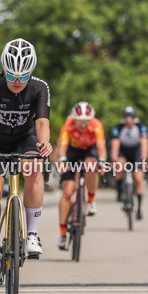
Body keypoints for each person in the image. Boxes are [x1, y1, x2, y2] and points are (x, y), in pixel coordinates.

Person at [0, 38, 52, 276]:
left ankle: (32, 234)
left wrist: (44, 144)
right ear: (4, 71)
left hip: (25, 139)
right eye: (11, 76)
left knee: (33, 168)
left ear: (31, 72)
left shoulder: (39, 88)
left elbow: (42, 122)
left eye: (23, 76)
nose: (17, 81)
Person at [56, 101, 105, 249]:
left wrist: (102, 161)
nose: (83, 124)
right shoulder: (69, 124)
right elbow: (62, 146)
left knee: (91, 166)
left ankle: (91, 201)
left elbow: (101, 147)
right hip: (73, 151)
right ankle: (63, 233)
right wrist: (62, 160)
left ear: (90, 119)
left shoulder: (96, 125)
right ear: (74, 119)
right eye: (79, 121)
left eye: (86, 121)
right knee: (67, 192)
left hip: (90, 150)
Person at [111, 105, 148, 221]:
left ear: (135, 118)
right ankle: (119, 192)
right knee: (119, 167)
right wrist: (114, 159)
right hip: (123, 151)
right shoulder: (118, 127)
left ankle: (139, 209)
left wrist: (144, 160)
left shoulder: (141, 126)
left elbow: (144, 143)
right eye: (126, 118)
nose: (129, 120)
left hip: (136, 152)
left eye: (131, 118)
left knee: (138, 178)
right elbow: (115, 144)